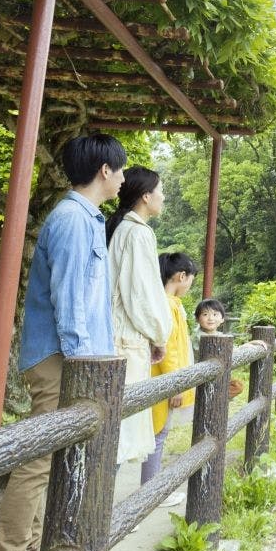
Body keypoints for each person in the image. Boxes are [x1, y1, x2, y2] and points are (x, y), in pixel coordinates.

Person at [0, 133, 126, 551]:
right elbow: (69, 298)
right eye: (120, 169)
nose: (124, 178)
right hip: (60, 360)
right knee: (37, 460)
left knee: (54, 458)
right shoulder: (71, 219)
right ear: (104, 170)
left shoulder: (86, 218)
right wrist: (83, 358)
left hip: (70, 358)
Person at [107, 168, 172, 465]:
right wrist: (160, 335)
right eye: (160, 190)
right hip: (126, 343)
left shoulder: (124, 229)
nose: (163, 196)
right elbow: (142, 296)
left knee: (115, 433)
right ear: (146, 196)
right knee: (119, 439)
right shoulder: (137, 232)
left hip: (119, 339)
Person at [142, 252, 198, 504]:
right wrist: (176, 385)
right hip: (163, 381)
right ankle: (151, 491)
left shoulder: (166, 303)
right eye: (191, 281)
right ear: (181, 276)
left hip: (160, 379)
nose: (189, 286)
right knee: (157, 434)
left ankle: (150, 488)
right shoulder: (168, 304)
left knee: (157, 433)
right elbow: (169, 348)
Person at [193, 298, 243, 398]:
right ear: (197, 319)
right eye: (205, 314)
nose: (210, 318)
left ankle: (220, 397)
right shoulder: (198, 337)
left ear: (222, 319)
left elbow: (231, 350)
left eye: (215, 314)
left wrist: (249, 345)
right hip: (200, 378)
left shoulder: (219, 335)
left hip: (216, 375)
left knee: (238, 386)